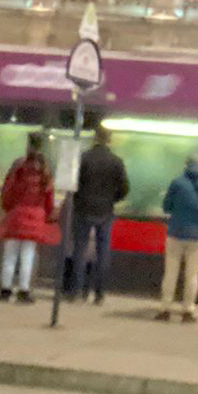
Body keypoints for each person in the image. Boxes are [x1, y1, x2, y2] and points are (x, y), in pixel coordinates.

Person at [157, 152, 198, 323]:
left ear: (186, 165)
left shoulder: (177, 183)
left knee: (170, 273)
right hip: (197, 236)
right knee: (192, 275)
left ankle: (165, 308)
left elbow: (166, 206)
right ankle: (188, 310)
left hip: (175, 233)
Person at [70, 125, 130, 304]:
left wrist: (80, 199)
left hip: (83, 209)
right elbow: (125, 188)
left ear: (95, 138)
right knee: (103, 252)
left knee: (79, 251)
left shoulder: (84, 158)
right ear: (109, 140)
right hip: (105, 211)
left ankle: (76, 292)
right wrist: (112, 199)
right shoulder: (116, 161)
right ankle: (100, 294)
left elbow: (74, 184)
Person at [0, 133, 53, 303]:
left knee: (10, 254)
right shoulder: (45, 171)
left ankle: (5, 290)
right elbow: (49, 197)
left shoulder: (18, 167)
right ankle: (24, 290)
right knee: (28, 255)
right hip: (36, 216)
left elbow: (7, 191)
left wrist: (8, 209)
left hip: (17, 213)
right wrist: (47, 214)